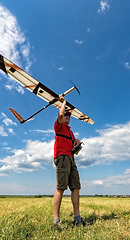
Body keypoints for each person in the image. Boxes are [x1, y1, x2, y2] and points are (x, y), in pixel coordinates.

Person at [53, 95, 85, 227]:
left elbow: (73, 146)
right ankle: (56, 220)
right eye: (66, 114)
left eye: (69, 115)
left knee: (76, 187)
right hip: (62, 158)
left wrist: (76, 142)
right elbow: (60, 115)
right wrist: (63, 101)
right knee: (61, 188)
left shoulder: (70, 132)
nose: (67, 116)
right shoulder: (58, 126)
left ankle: (77, 218)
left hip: (71, 159)